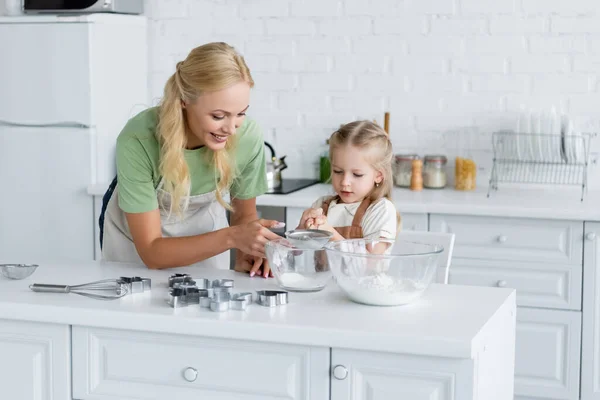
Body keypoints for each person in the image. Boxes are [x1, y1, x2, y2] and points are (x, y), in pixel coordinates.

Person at [99, 42, 281, 277]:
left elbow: (244, 216)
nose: (231, 129)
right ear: (185, 100)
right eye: (218, 116)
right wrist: (234, 236)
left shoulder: (248, 137)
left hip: (209, 243)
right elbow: (152, 252)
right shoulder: (139, 139)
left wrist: (251, 252)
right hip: (135, 252)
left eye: (241, 113)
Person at [297, 120, 400, 241]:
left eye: (357, 174)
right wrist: (301, 230)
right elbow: (298, 252)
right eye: (338, 171)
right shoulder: (321, 205)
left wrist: (329, 233)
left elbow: (370, 259)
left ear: (378, 176)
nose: (345, 182)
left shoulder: (380, 210)